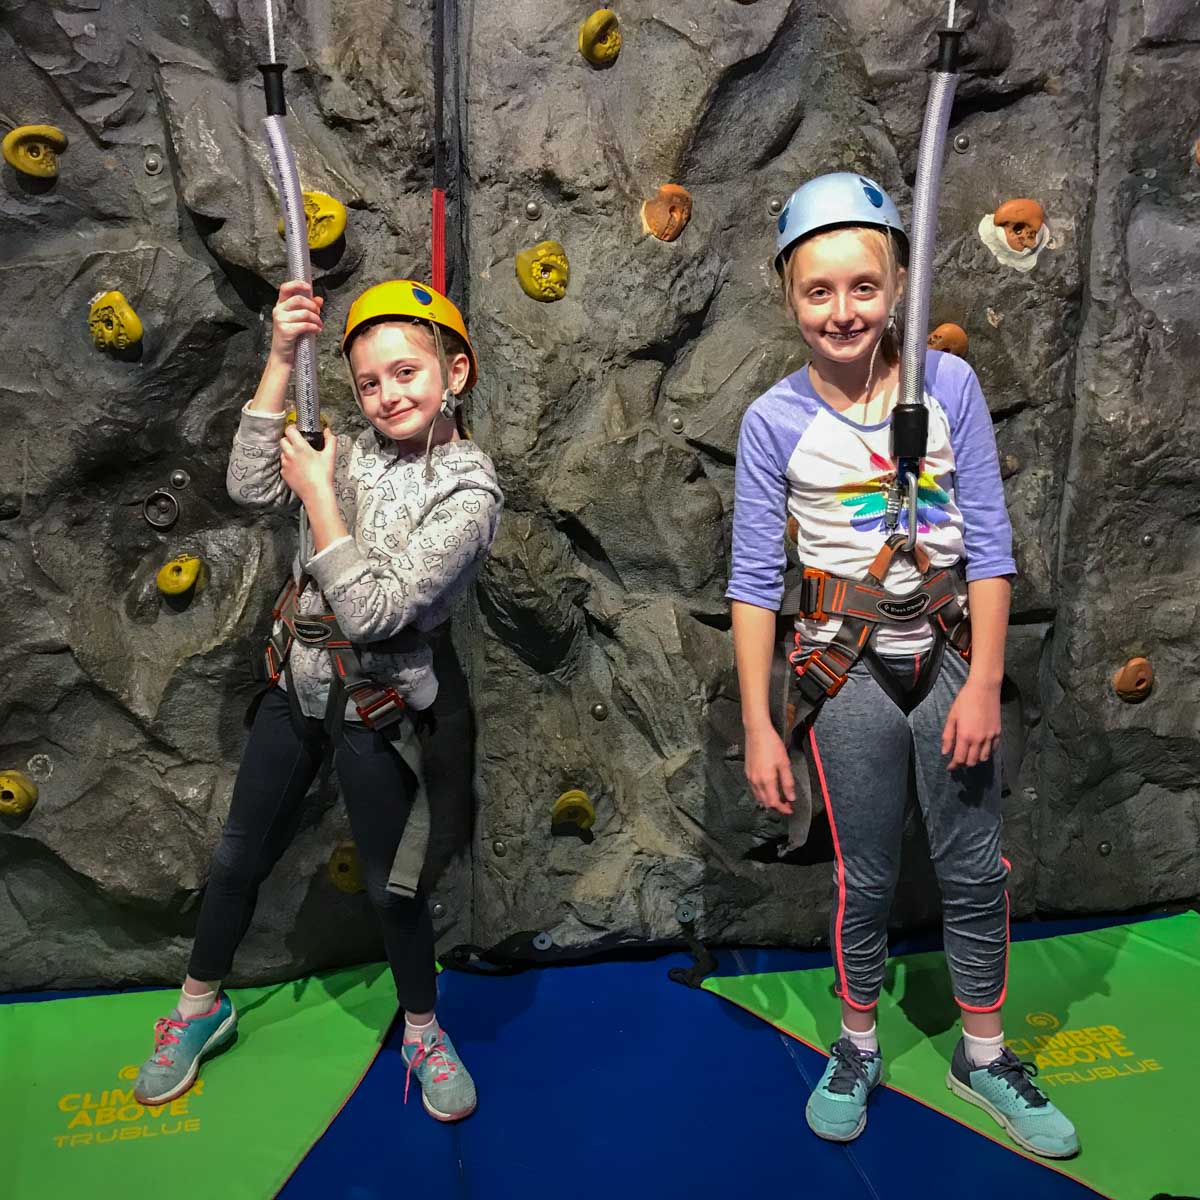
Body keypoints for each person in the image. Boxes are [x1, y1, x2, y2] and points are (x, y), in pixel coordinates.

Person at [726, 173, 1078, 1158]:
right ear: (790, 297)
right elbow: (757, 581)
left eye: (864, 287)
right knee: (867, 875)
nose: (843, 311)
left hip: (951, 659)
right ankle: (857, 1041)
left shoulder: (948, 386)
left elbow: (992, 549)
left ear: (899, 286)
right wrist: (760, 721)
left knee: (973, 867)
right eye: (819, 291)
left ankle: (984, 1051)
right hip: (847, 678)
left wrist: (983, 682)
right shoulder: (774, 423)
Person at [131, 278, 502, 1124]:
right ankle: (199, 1010)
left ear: (456, 372)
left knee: (390, 886)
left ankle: (421, 1028)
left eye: (406, 373)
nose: (387, 395)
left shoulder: (469, 490)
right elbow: (249, 482)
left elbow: (374, 612)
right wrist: (280, 358)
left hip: (379, 707)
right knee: (236, 857)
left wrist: (321, 492)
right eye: (370, 383)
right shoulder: (352, 446)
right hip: (297, 684)